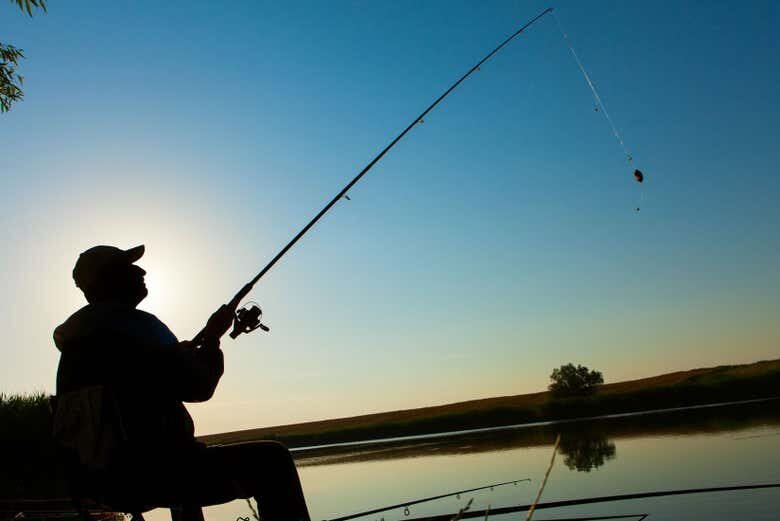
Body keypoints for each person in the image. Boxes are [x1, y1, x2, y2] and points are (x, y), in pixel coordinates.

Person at [53, 244, 311, 521]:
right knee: (273, 460)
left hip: (100, 482)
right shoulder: (140, 326)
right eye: (128, 267)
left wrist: (177, 354)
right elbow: (199, 386)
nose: (141, 270)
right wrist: (212, 338)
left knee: (180, 454)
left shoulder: (75, 345)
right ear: (108, 279)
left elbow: (141, 381)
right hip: (155, 475)